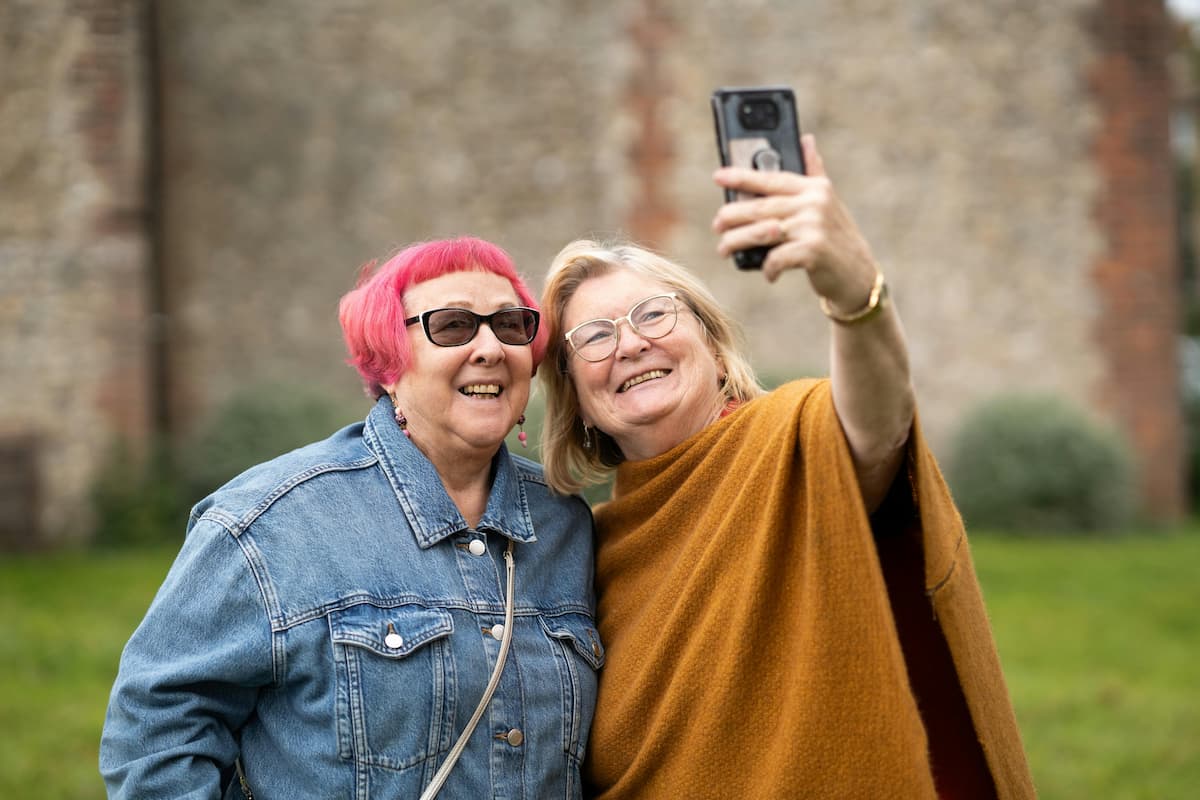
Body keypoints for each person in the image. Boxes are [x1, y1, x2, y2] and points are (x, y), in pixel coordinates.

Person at [538, 135, 1036, 799]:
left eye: (654, 314)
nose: (630, 343)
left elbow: (878, 424)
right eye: (594, 337)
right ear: (580, 404)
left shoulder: (793, 437)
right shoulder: (585, 548)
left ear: (715, 351)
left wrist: (854, 290)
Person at [101, 237, 602, 799]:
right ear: (388, 364)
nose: (490, 347)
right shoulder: (268, 525)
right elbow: (156, 730)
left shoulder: (567, 525)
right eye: (453, 326)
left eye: (511, 325)